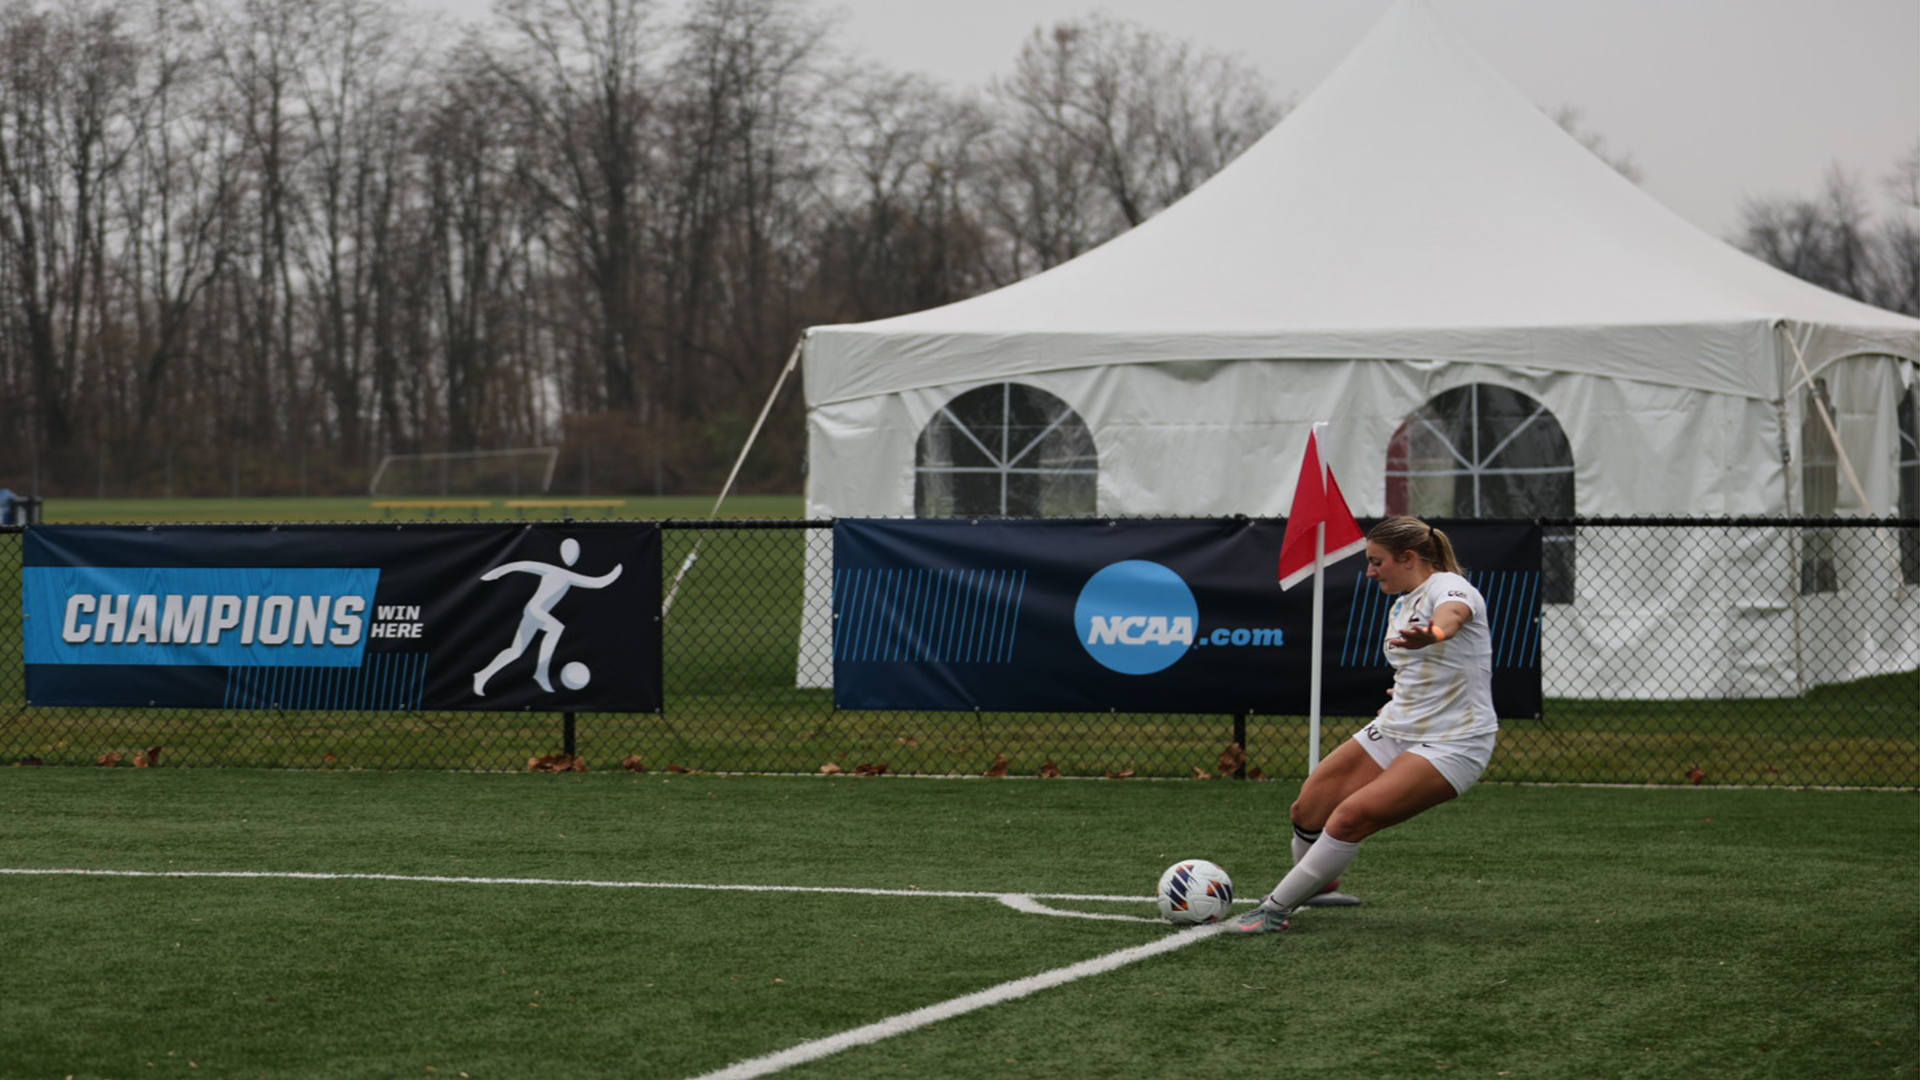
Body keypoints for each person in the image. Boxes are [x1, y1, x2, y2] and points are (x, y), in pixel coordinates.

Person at [1226, 515, 1499, 935]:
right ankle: (1316, 883)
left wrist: (1435, 632)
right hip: (1397, 728)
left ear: (1407, 558)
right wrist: (1407, 694)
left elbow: (1453, 615)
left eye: (1377, 562)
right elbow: (1430, 669)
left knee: (1350, 817)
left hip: (1453, 743)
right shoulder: (1404, 599)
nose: (1369, 572)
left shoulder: (1447, 587)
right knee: (1308, 807)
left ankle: (1275, 910)